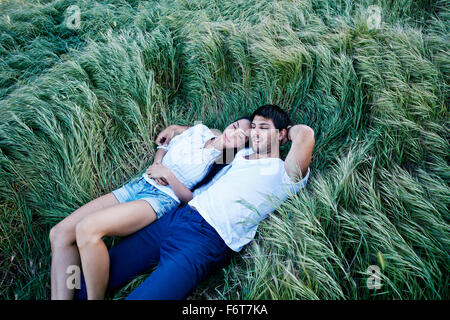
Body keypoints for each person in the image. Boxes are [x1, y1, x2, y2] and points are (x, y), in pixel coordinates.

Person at [75, 104, 315, 300]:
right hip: (179, 217)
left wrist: (286, 128)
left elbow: (306, 135)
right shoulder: (239, 155)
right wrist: (178, 129)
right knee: (88, 279)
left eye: (264, 128)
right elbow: (217, 138)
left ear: (282, 135)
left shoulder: (284, 173)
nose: (255, 132)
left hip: (208, 241)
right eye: (253, 127)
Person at [49, 117, 252, 300]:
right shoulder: (202, 132)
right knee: (60, 235)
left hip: (161, 199)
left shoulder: (225, 162)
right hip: (137, 185)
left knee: (87, 230)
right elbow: (170, 139)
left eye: (241, 136)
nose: (234, 133)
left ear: (244, 145)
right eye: (234, 126)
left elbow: (191, 199)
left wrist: (168, 175)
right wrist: (159, 156)